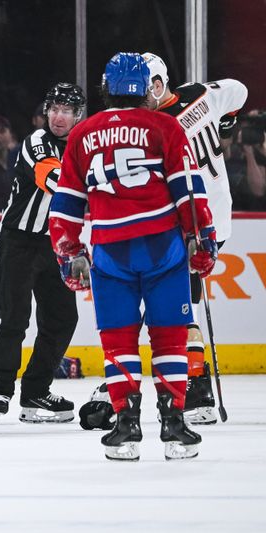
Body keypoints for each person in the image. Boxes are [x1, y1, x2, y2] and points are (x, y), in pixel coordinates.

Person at [50, 52, 216, 461]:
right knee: (171, 337)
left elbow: (67, 203)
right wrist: (202, 240)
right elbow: (189, 192)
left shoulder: (83, 133)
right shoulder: (166, 126)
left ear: (106, 89)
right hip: (164, 249)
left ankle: (126, 425)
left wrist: (69, 251)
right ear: (145, 90)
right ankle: (174, 425)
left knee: (118, 340)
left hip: (110, 254)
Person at [77, 53, 248, 429]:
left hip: (185, 219)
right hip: (215, 213)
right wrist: (227, 117)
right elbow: (239, 90)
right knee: (181, 298)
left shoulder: (155, 126)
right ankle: (176, 383)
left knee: (171, 302)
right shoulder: (201, 94)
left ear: (156, 86)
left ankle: (193, 387)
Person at [0, 82, 85, 424]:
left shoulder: (82, 145)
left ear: (78, 115)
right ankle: (2, 389)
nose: (58, 116)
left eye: (66, 110)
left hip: (53, 244)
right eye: (54, 109)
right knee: (14, 318)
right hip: (18, 241)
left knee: (62, 318)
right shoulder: (36, 141)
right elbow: (51, 180)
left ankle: (36, 391)